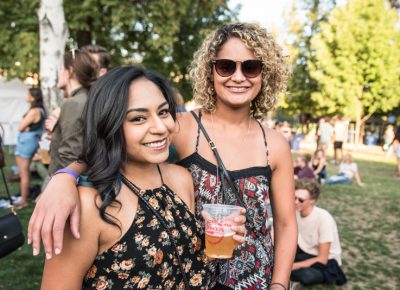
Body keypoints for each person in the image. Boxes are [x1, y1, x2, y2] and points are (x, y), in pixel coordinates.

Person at [29, 23, 297, 289]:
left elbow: (285, 224)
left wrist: (279, 284)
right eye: (226, 66)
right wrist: (64, 177)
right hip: (200, 270)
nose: (238, 76)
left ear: (266, 73)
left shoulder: (271, 144)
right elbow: (108, 146)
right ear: (210, 71)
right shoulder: (180, 126)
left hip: (247, 275)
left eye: (251, 67)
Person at [42, 66, 240, 289]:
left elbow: (179, 265)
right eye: (138, 118)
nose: (160, 127)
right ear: (110, 124)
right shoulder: (89, 205)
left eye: (163, 112)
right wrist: (64, 176)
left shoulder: (181, 178)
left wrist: (217, 241)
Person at [45, 49, 98, 188]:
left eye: (60, 69)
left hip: (67, 181)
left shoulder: (74, 103)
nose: (58, 74)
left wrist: (55, 188)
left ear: (69, 71)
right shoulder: (87, 98)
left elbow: (70, 154)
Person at [291, 179, 347, 288]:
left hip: (326, 261)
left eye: (301, 200)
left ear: (312, 200)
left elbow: (322, 258)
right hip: (305, 253)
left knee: (306, 276)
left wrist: (293, 266)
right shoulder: (296, 213)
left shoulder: (323, 218)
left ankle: (291, 276)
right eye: (294, 198)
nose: (296, 202)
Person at [13, 88, 46, 209]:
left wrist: (24, 127)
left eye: (28, 94)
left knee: (24, 172)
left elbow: (20, 127)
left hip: (26, 142)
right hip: (31, 141)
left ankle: (24, 200)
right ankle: (23, 196)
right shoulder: (41, 110)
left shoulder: (34, 111)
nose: (26, 96)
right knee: (24, 172)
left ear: (33, 97)